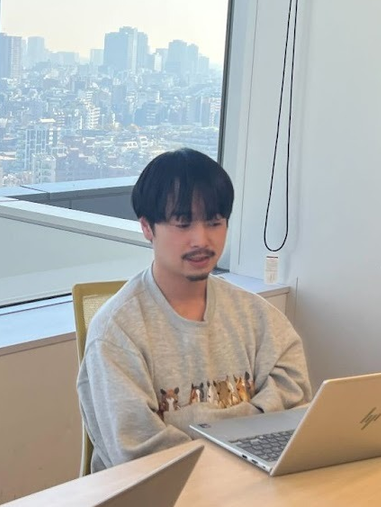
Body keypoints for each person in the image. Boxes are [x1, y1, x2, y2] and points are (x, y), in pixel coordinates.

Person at [77, 149, 309, 471]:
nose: (201, 239)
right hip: (162, 494)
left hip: (253, 484)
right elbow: (138, 455)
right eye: (183, 224)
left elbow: (296, 404)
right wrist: (246, 438)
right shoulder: (117, 333)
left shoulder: (256, 315)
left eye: (214, 222)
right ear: (147, 228)